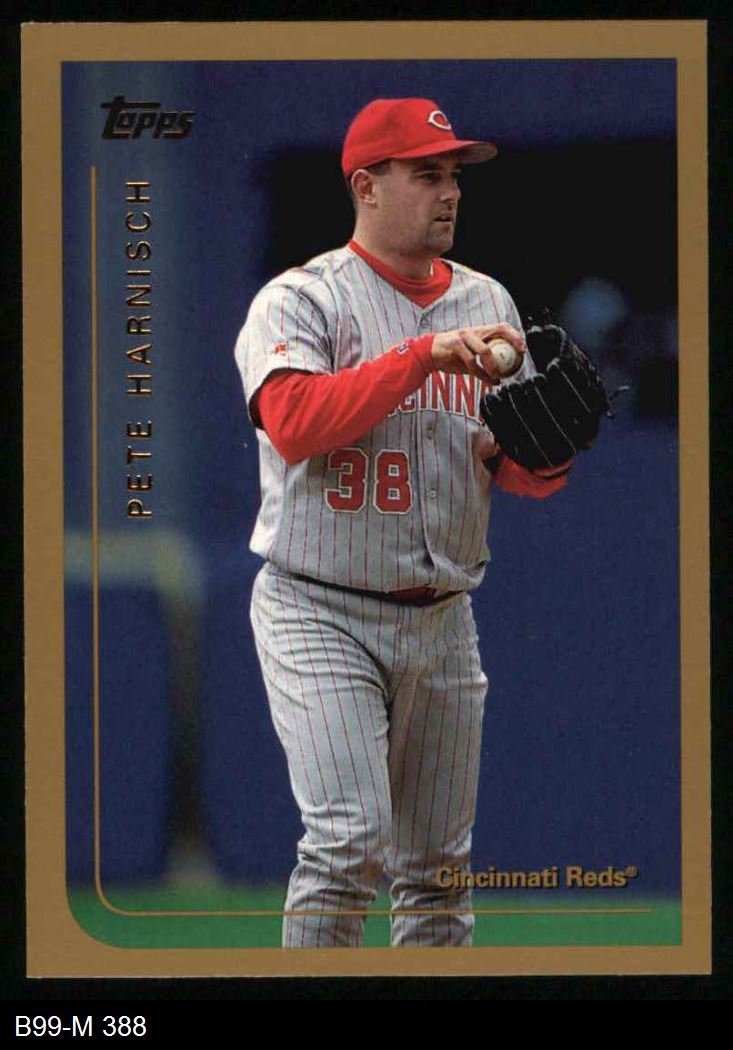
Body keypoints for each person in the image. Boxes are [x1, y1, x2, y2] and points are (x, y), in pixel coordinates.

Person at [234, 97, 570, 948]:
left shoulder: (487, 299)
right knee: (347, 842)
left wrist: (547, 452)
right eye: (425, 174)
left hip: (444, 619)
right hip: (320, 607)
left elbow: (513, 472)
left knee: (437, 873)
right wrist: (420, 356)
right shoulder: (301, 299)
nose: (448, 191)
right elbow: (295, 424)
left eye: (452, 175)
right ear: (365, 186)